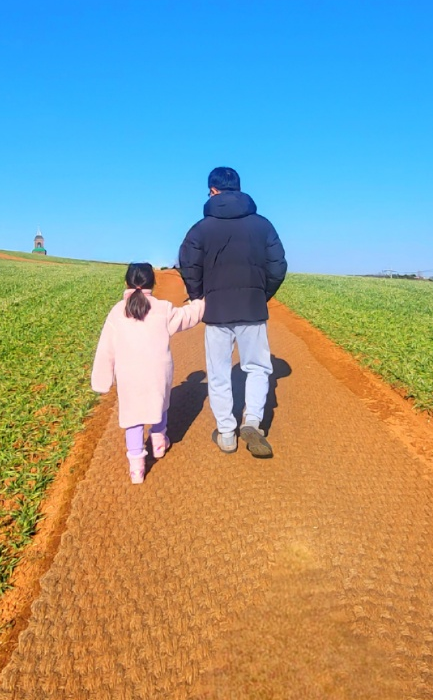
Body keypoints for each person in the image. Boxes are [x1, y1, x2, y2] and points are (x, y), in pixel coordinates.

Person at [179, 167, 287, 458]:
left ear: (213, 190)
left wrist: (198, 296)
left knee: (218, 372)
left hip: (216, 312)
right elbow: (278, 266)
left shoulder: (200, 228)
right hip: (252, 308)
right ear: (238, 189)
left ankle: (226, 433)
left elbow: (188, 264)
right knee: (258, 367)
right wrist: (261, 294)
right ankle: (252, 421)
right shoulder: (263, 225)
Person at [91, 263, 205, 484]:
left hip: (129, 375)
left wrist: (102, 381)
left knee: (132, 417)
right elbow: (188, 316)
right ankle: (159, 442)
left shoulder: (117, 311)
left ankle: (136, 468)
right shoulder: (162, 308)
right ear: (154, 282)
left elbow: (106, 348)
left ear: (126, 283)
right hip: (157, 371)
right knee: (159, 403)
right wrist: (200, 302)